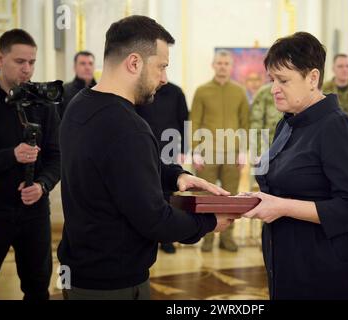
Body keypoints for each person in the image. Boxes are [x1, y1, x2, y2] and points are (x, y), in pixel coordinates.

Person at [58, 15, 236, 300]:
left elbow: (122, 166)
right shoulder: (127, 127)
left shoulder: (80, 104)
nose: (164, 78)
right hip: (114, 283)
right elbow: (157, 221)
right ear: (134, 62)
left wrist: (178, 175)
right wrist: (211, 222)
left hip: (78, 270)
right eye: (161, 66)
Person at [242, 32, 348, 300]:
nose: (274, 88)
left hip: (326, 266)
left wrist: (281, 206)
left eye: (283, 80)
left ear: (313, 78)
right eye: (272, 79)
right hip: (289, 261)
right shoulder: (287, 123)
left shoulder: (337, 126)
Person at [0, 29, 61, 300]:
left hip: (34, 210)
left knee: (37, 288)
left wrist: (42, 185)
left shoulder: (43, 101)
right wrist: (12, 155)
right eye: (20, 62)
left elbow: (57, 156)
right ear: (0, 58)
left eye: (32, 62)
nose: (27, 69)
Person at [190, 50, 250, 252]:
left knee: (231, 199)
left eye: (226, 63)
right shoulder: (202, 91)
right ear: (213, 65)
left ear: (231, 67)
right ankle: (207, 240)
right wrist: (195, 150)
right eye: (219, 63)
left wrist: (243, 150)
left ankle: (227, 239)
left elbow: (245, 123)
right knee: (206, 198)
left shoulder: (240, 92)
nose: (223, 66)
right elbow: (194, 121)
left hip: (232, 154)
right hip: (207, 153)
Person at [136, 82, 189, 254]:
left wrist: (184, 150)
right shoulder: (142, 91)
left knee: (167, 193)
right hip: (144, 148)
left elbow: (184, 121)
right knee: (145, 192)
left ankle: (166, 238)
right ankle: (147, 235)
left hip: (170, 148)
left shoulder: (176, 92)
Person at [58, 51, 97, 118]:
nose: (87, 67)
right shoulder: (63, 91)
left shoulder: (102, 91)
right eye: (83, 64)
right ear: (75, 67)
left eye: (90, 64)